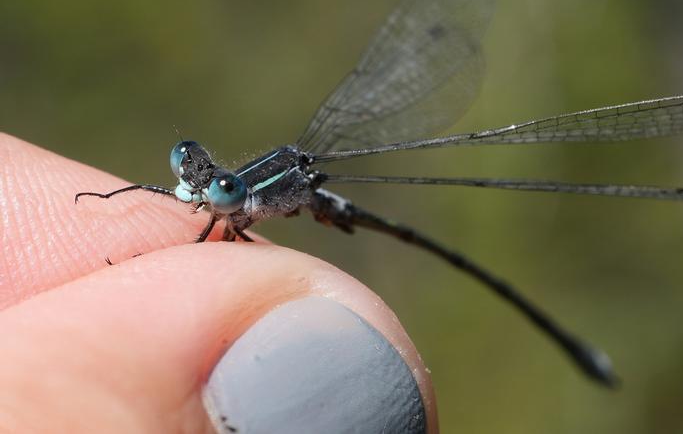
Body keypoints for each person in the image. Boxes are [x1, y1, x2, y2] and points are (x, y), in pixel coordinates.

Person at [0, 134, 436, 433]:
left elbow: (193, 259)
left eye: (218, 193)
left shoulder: (240, 201)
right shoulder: (225, 194)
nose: (205, 196)